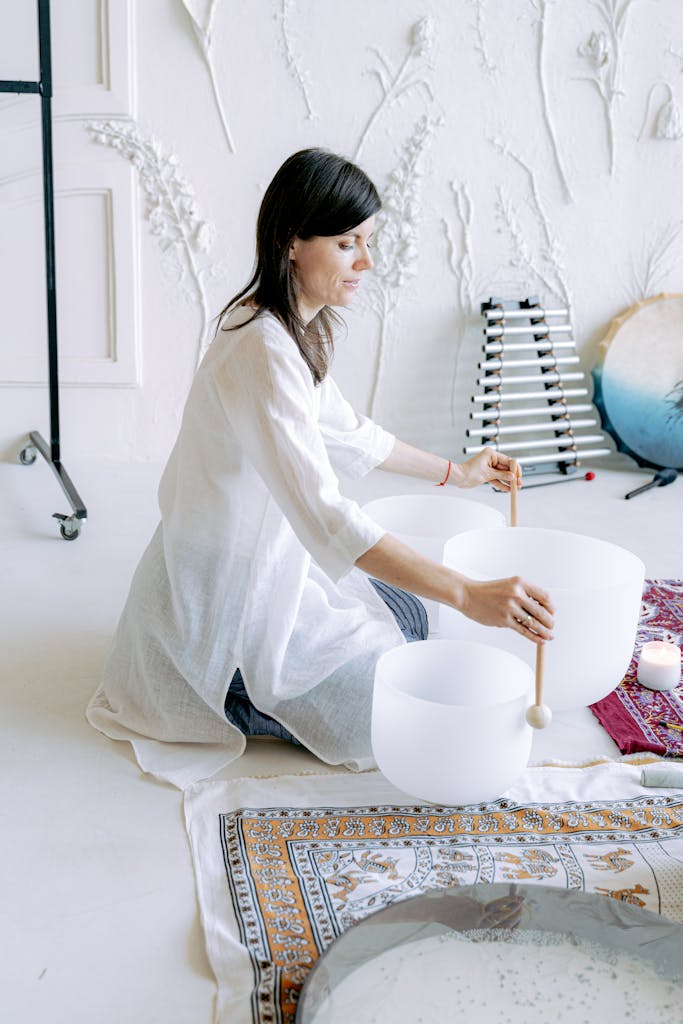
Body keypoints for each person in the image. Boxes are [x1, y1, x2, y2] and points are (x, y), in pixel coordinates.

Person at [87, 148, 554, 789]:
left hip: (265, 572)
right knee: (388, 708)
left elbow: (352, 435)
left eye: (367, 241)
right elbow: (326, 518)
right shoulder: (260, 348)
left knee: (413, 621)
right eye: (346, 243)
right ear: (291, 243)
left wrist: (458, 473)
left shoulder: (284, 326)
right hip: (217, 608)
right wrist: (467, 593)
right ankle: (228, 692)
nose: (366, 261)